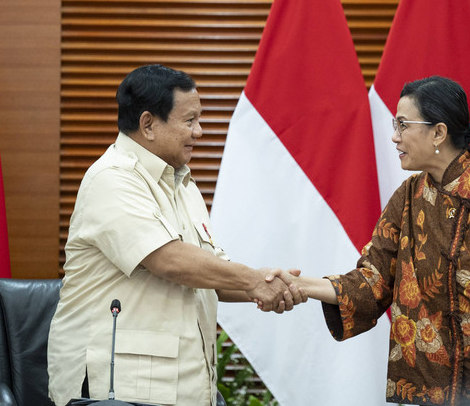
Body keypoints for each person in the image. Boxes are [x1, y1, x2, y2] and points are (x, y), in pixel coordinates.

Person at [267, 76, 470, 406]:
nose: (394, 137)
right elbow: (371, 281)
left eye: (402, 125)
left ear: (438, 132)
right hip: (431, 388)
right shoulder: (409, 196)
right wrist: (301, 285)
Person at [47, 64, 305, 406]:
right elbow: (168, 259)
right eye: (190, 120)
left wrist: (276, 286)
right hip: (117, 390)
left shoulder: (181, 183)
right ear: (148, 124)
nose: (200, 131)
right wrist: (253, 280)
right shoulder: (111, 179)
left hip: (177, 387)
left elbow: (210, 271)